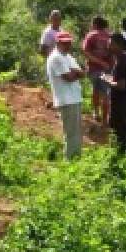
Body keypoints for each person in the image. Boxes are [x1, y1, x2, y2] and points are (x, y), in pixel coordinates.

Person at [46, 32, 85, 160]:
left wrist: (73, 71)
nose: (67, 45)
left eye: (69, 42)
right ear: (58, 43)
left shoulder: (67, 57)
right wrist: (74, 72)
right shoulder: (56, 57)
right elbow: (68, 77)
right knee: (71, 133)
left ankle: (75, 160)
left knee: (76, 132)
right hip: (66, 100)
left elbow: (81, 73)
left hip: (74, 99)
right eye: (64, 43)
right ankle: (70, 161)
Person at [104, 33, 126, 154]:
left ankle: (122, 159)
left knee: (121, 134)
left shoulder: (123, 61)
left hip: (121, 105)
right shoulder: (124, 58)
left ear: (118, 45)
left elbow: (121, 85)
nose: (108, 46)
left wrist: (107, 80)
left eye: (111, 44)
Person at [81, 16, 113, 127]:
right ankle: (105, 121)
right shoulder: (110, 36)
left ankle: (96, 112)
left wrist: (98, 62)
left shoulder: (91, 35)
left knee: (95, 90)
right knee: (106, 94)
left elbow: (85, 51)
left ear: (95, 24)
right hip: (108, 70)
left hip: (93, 69)